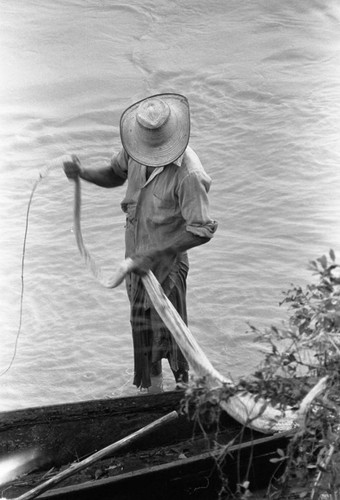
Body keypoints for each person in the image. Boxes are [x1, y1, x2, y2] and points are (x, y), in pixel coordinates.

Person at [63, 93, 217, 393]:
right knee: (143, 333)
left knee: (174, 336)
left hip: (167, 267)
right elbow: (113, 174)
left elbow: (202, 230)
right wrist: (83, 173)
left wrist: (155, 253)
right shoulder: (135, 150)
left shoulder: (189, 174)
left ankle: (183, 394)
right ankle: (153, 392)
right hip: (135, 261)